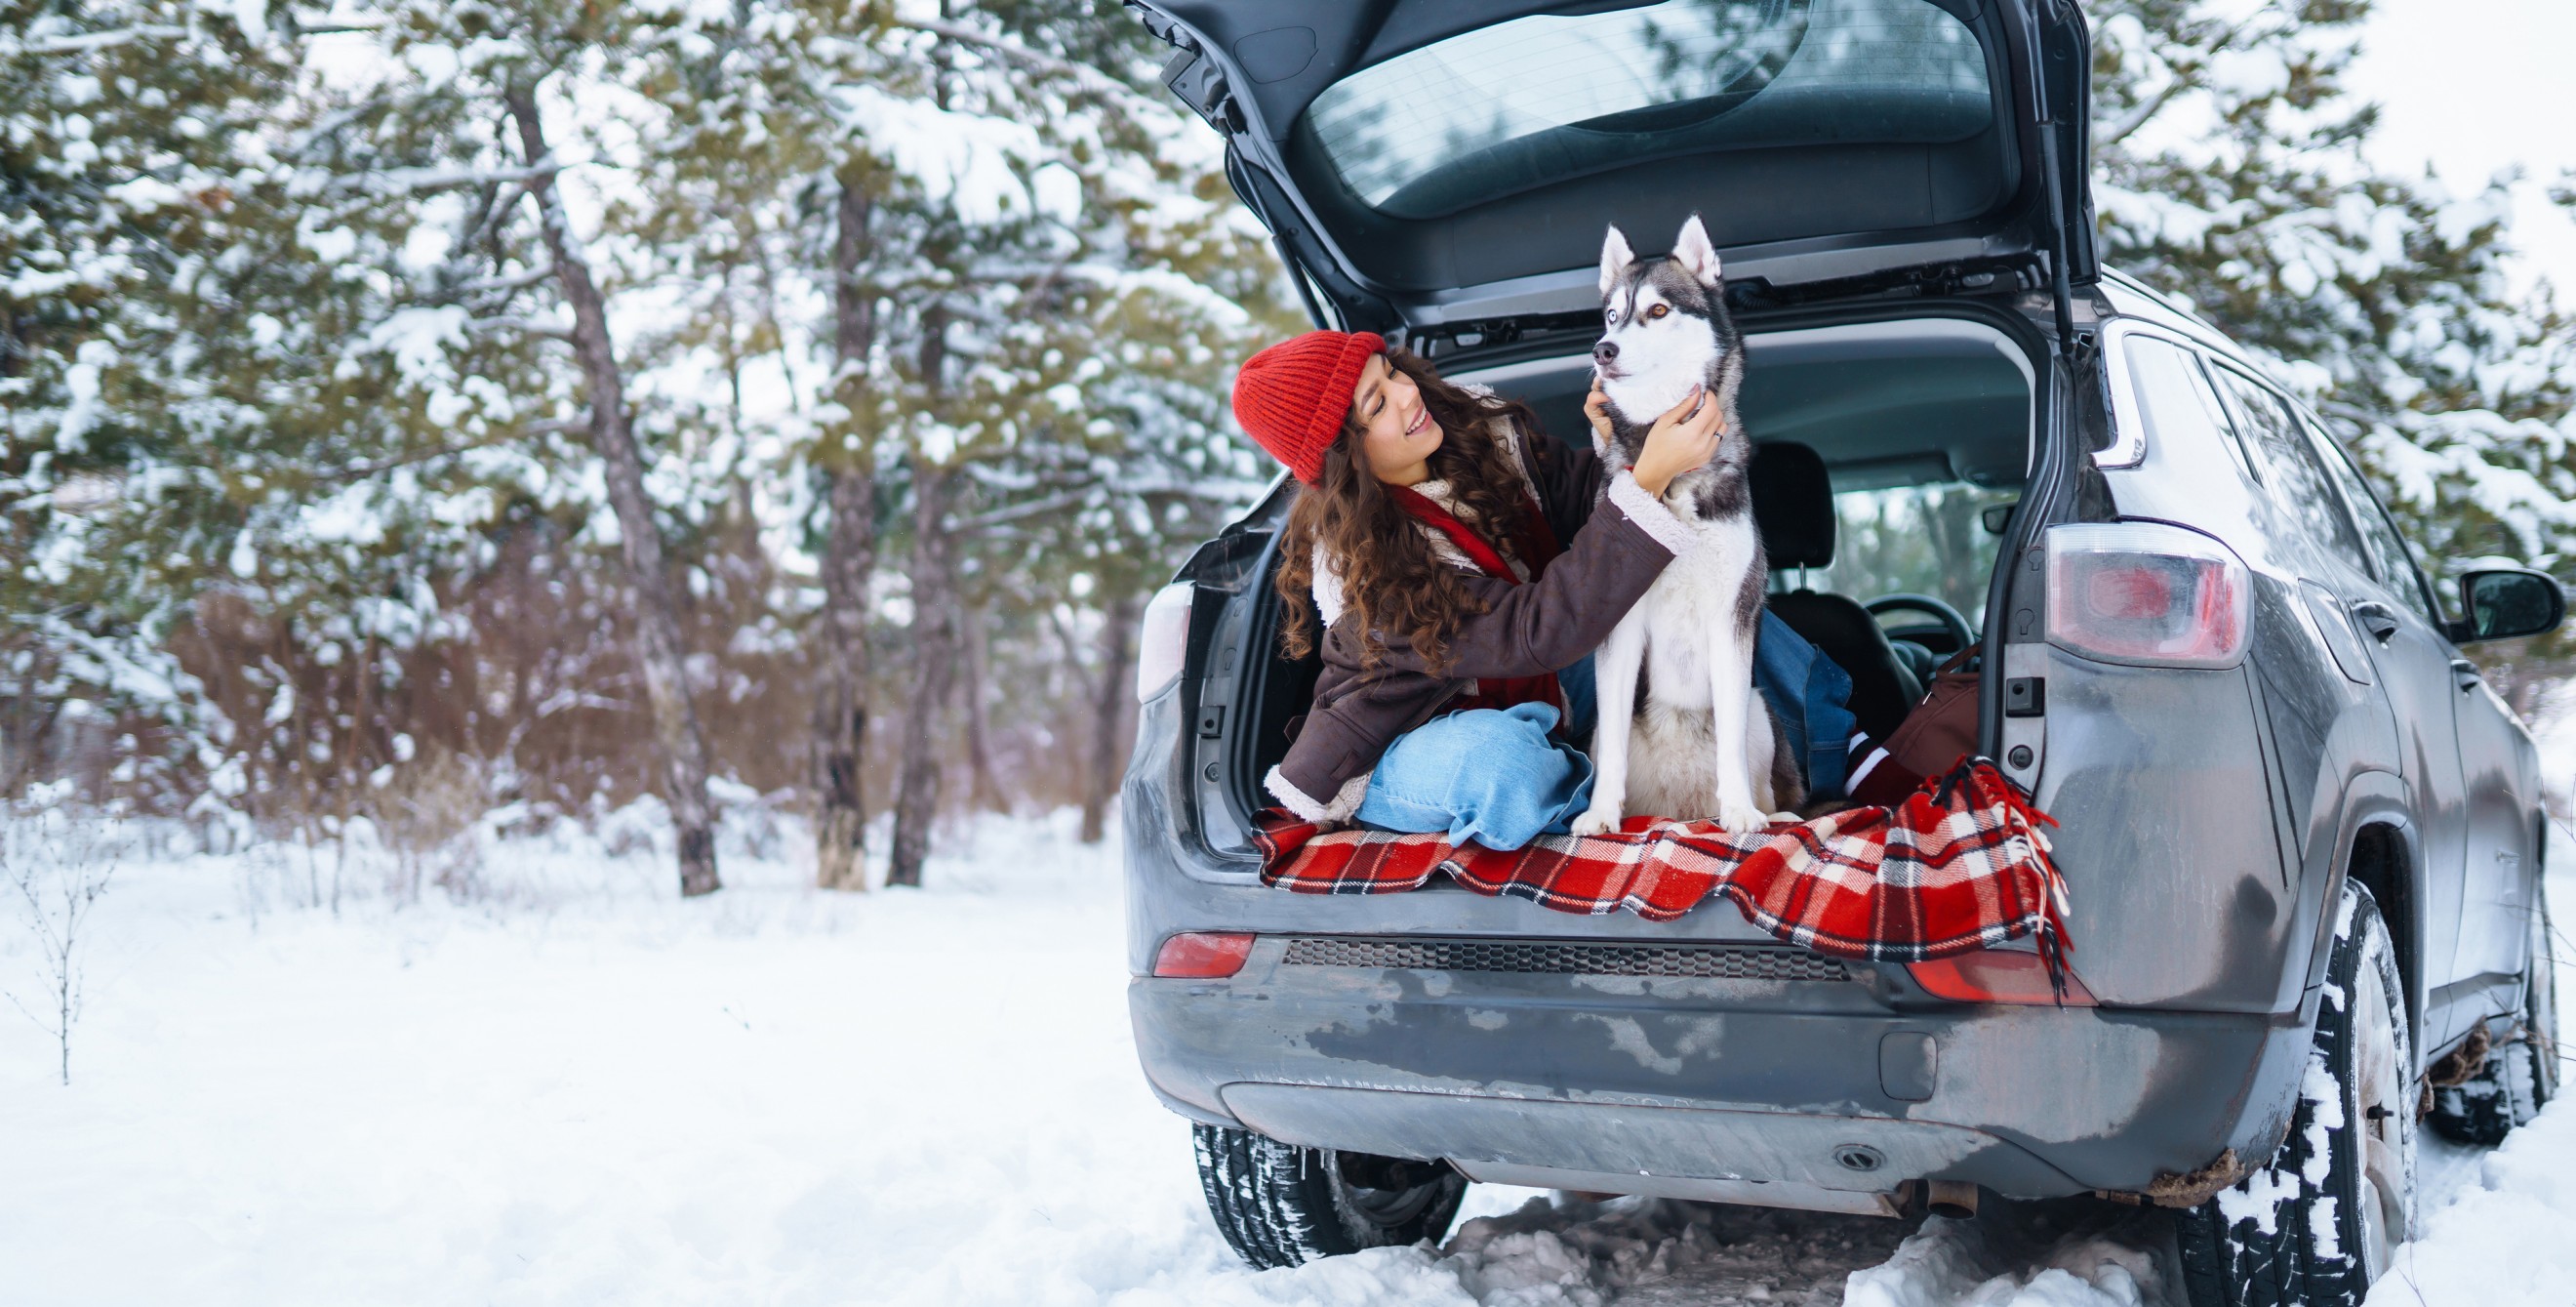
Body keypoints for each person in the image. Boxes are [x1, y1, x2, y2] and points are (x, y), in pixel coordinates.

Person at [1230, 329, 1850, 851]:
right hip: (1420, 731)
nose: (1405, 395)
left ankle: (1841, 755)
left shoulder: (1481, 437)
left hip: (1548, 683)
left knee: (1709, 596)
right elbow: (1532, 631)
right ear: (1346, 459)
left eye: (1390, 372)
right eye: (1375, 405)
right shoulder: (1370, 578)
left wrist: (1625, 445)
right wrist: (1648, 477)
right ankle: (1601, 804)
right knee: (1503, 762)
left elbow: (1586, 500)